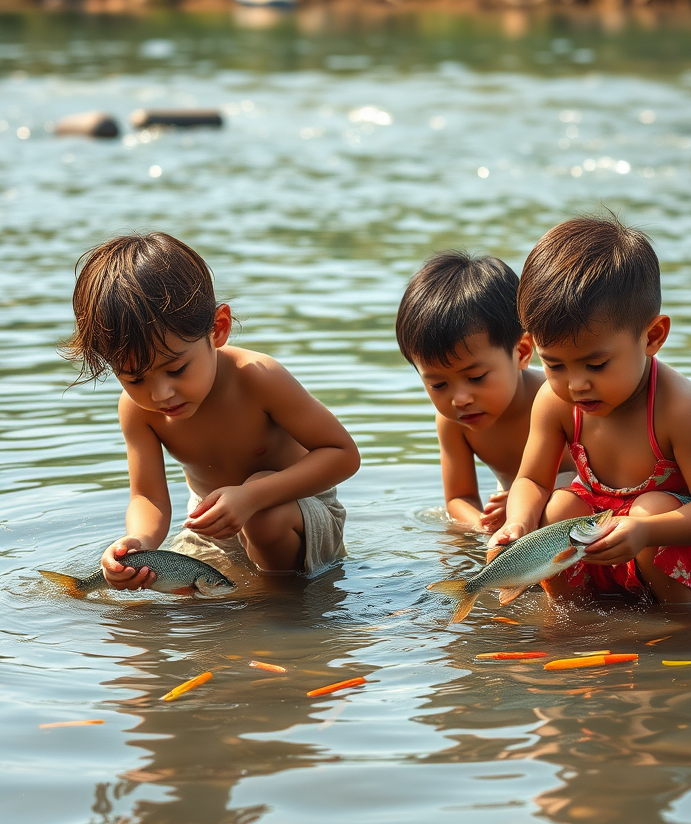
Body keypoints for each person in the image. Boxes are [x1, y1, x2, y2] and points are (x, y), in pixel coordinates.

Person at [63, 232, 359, 590]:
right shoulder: (137, 412)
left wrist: (253, 497)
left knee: (264, 515)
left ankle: (282, 606)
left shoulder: (258, 378)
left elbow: (343, 455)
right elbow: (148, 496)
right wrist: (137, 543)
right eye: (134, 378)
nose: (160, 393)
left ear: (218, 329)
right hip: (213, 529)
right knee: (173, 606)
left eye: (176, 369)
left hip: (295, 513)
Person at [488, 215, 691, 604]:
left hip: (667, 544)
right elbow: (531, 481)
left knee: (647, 510)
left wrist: (646, 532)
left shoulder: (679, 408)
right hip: (599, 544)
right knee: (558, 509)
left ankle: (685, 633)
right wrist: (518, 524)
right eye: (555, 364)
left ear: (652, 337)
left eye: (596, 365)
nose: (576, 384)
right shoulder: (555, 402)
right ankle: (573, 623)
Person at [396, 251, 574, 533]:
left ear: (522, 352)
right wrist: (484, 525)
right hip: (512, 511)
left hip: (574, 503)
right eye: (438, 385)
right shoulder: (454, 424)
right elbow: (458, 498)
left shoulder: (560, 399)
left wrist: (527, 504)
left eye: (476, 377)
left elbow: (611, 477)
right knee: (452, 543)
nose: (460, 399)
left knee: (559, 509)